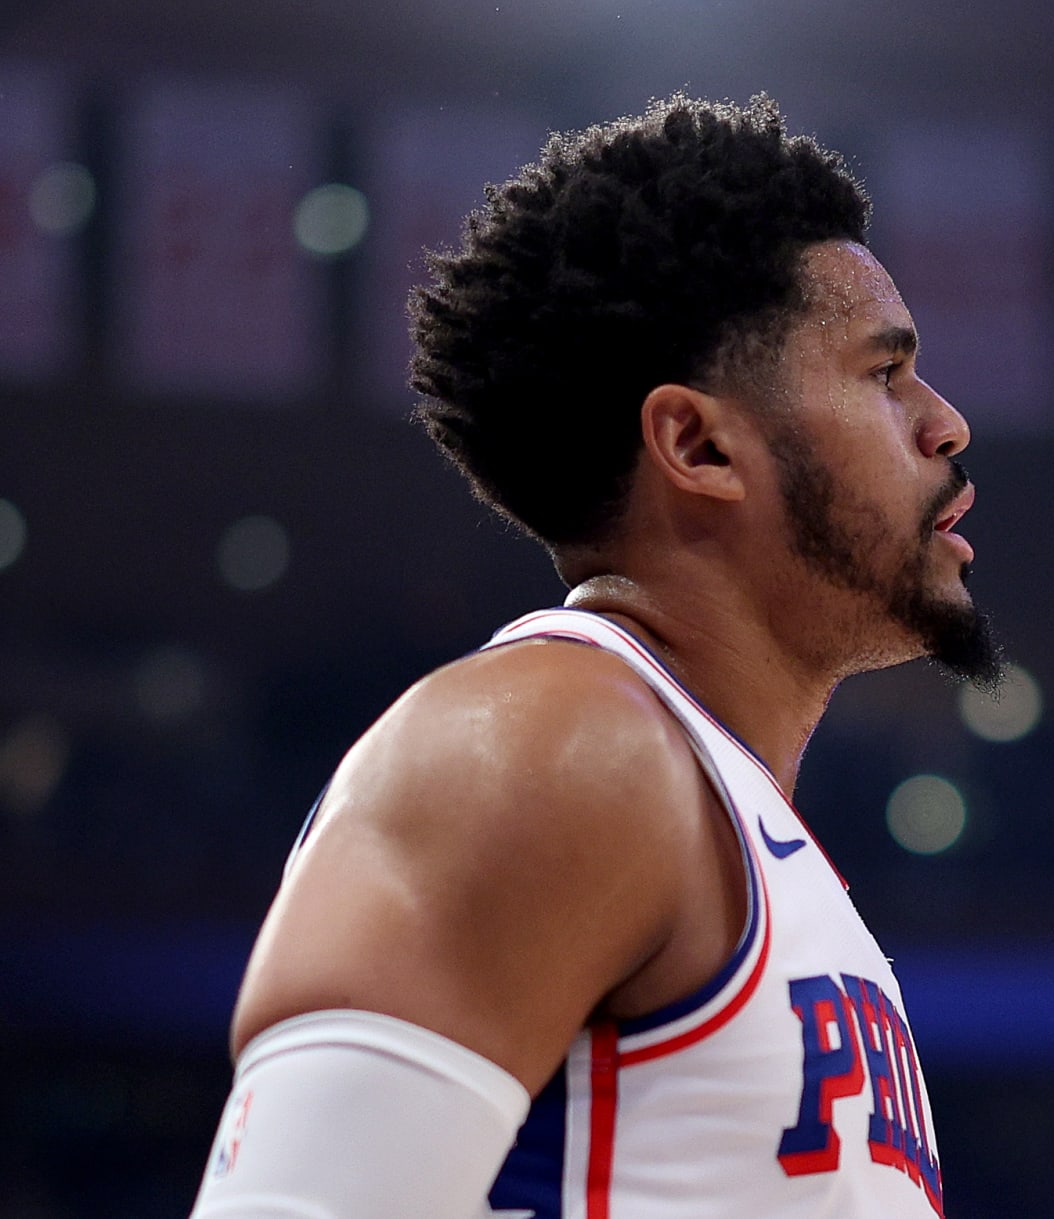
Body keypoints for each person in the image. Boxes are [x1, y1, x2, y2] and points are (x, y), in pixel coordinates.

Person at [188, 94, 1000, 1219]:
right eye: (883, 373)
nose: (945, 421)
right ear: (698, 444)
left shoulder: (733, 811)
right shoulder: (547, 743)